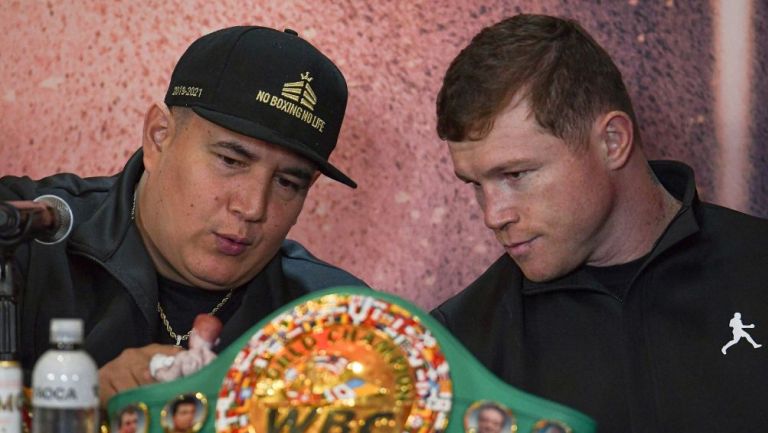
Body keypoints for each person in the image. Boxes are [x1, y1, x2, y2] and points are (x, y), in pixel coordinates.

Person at [431, 13, 768, 432]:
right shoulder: (459, 344)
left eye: (515, 175)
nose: (493, 215)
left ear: (612, 141)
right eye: (475, 184)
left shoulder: (758, 268)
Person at [0, 26, 366, 405]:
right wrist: (74, 402)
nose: (253, 207)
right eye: (231, 160)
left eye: (288, 183)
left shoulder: (333, 316)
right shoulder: (22, 237)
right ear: (159, 137)